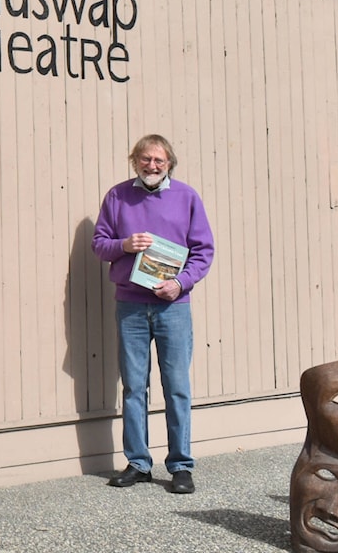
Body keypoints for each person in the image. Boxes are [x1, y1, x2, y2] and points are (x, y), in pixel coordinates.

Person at [91, 134, 214, 494]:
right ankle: (138, 463)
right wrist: (124, 245)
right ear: (135, 161)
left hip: (172, 307)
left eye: (159, 160)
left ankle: (180, 466)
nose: (152, 166)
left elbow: (203, 251)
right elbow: (100, 244)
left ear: (170, 163)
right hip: (129, 305)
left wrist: (181, 283)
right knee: (133, 387)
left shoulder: (187, 197)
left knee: (176, 387)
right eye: (145, 159)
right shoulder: (117, 196)